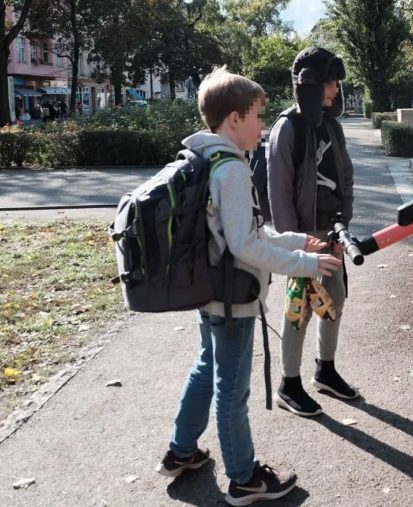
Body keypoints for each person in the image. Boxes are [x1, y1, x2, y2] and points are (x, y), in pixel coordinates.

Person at [159, 66, 342, 505]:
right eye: (258, 115)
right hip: (233, 298)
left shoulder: (209, 160)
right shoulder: (233, 171)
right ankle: (244, 478)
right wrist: (306, 262)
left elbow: (247, 233)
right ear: (235, 119)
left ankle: (181, 451)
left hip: (209, 288)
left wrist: (298, 239)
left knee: (207, 366)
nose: (263, 125)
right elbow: (245, 246)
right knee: (232, 389)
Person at [267, 47, 357, 417]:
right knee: (298, 310)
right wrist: (295, 245)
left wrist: (343, 226)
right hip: (303, 237)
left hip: (331, 232)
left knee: (334, 300)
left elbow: (344, 176)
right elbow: (278, 192)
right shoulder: (287, 128)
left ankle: (326, 368)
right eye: (332, 82)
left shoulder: (332, 126)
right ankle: (289, 383)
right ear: (312, 84)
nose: (336, 90)